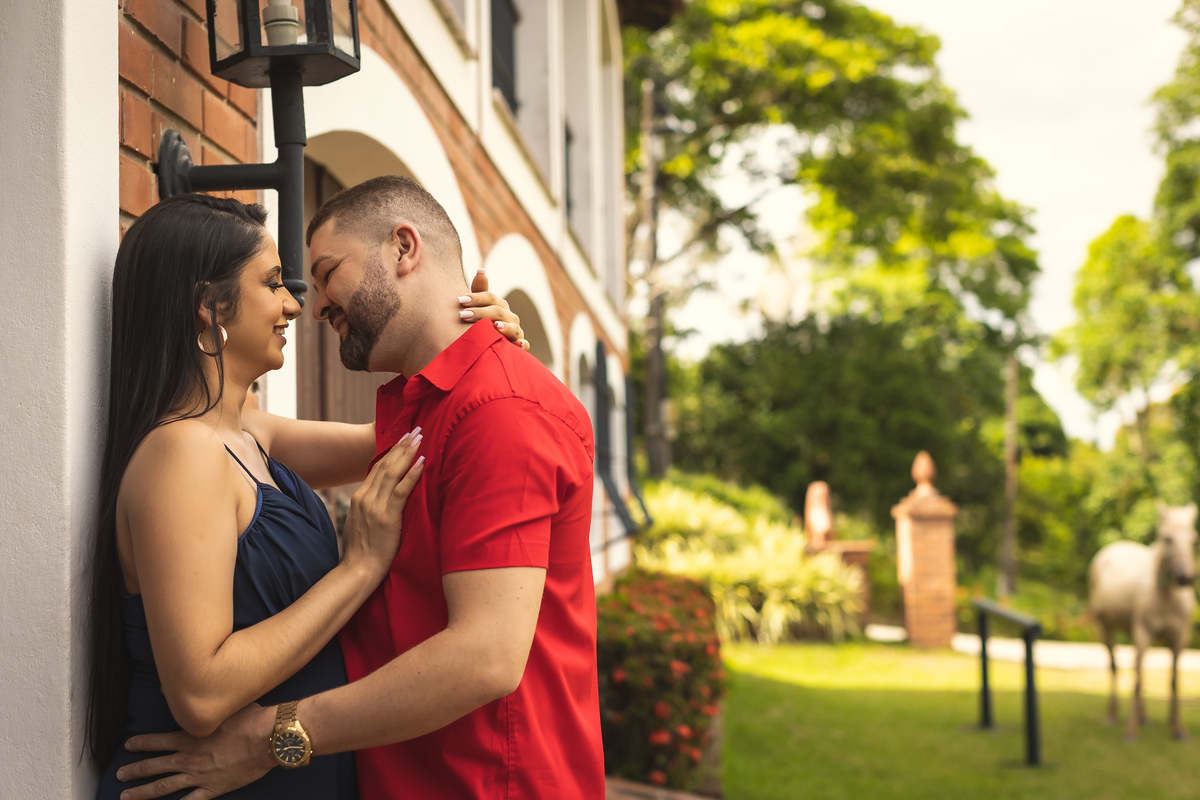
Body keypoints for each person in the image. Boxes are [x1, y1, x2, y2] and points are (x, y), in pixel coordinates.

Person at [117, 176, 606, 799]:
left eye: (321, 275)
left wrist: (489, 354)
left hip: (482, 782)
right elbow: (201, 688)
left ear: (405, 249)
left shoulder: (493, 409)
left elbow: (486, 654)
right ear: (208, 307)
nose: (307, 305)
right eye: (277, 284)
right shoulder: (193, 447)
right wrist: (360, 565)